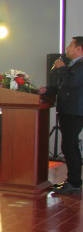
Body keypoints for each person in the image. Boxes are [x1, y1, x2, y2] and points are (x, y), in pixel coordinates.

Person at [40, 36, 83, 194]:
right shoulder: (74, 65)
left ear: (79, 49)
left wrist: (61, 68)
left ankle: (74, 183)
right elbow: (63, 86)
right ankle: (73, 181)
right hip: (70, 111)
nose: (67, 49)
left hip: (74, 112)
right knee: (71, 146)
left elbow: (71, 83)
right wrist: (47, 90)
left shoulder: (80, 65)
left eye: (70, 46)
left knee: (69, 147)